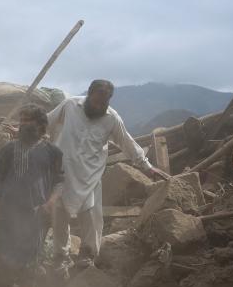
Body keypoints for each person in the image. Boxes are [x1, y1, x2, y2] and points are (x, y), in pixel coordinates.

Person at [48, 79, 165, 266]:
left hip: (90, 176)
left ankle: (88, 254)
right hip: (62, 172)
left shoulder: (112, 118)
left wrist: (147, 167)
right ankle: (61, 256)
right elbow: (46, 121)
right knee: (60, 213)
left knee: (91, 216)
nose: (98, 106)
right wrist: (23, 132)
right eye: (95, 102)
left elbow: (127, 143)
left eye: (103, 103)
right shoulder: (69, 106)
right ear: (88, 94)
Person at [0, 105, 63, 287]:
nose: (22, 126)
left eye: (27, 121)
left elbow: (60, 182)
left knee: (31, 263)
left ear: (41, 125)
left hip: (36, 217)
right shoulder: (8, 149)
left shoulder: (52, 152)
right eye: (21, 121)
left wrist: (51, 203)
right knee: (3, 259)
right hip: (8, 215)